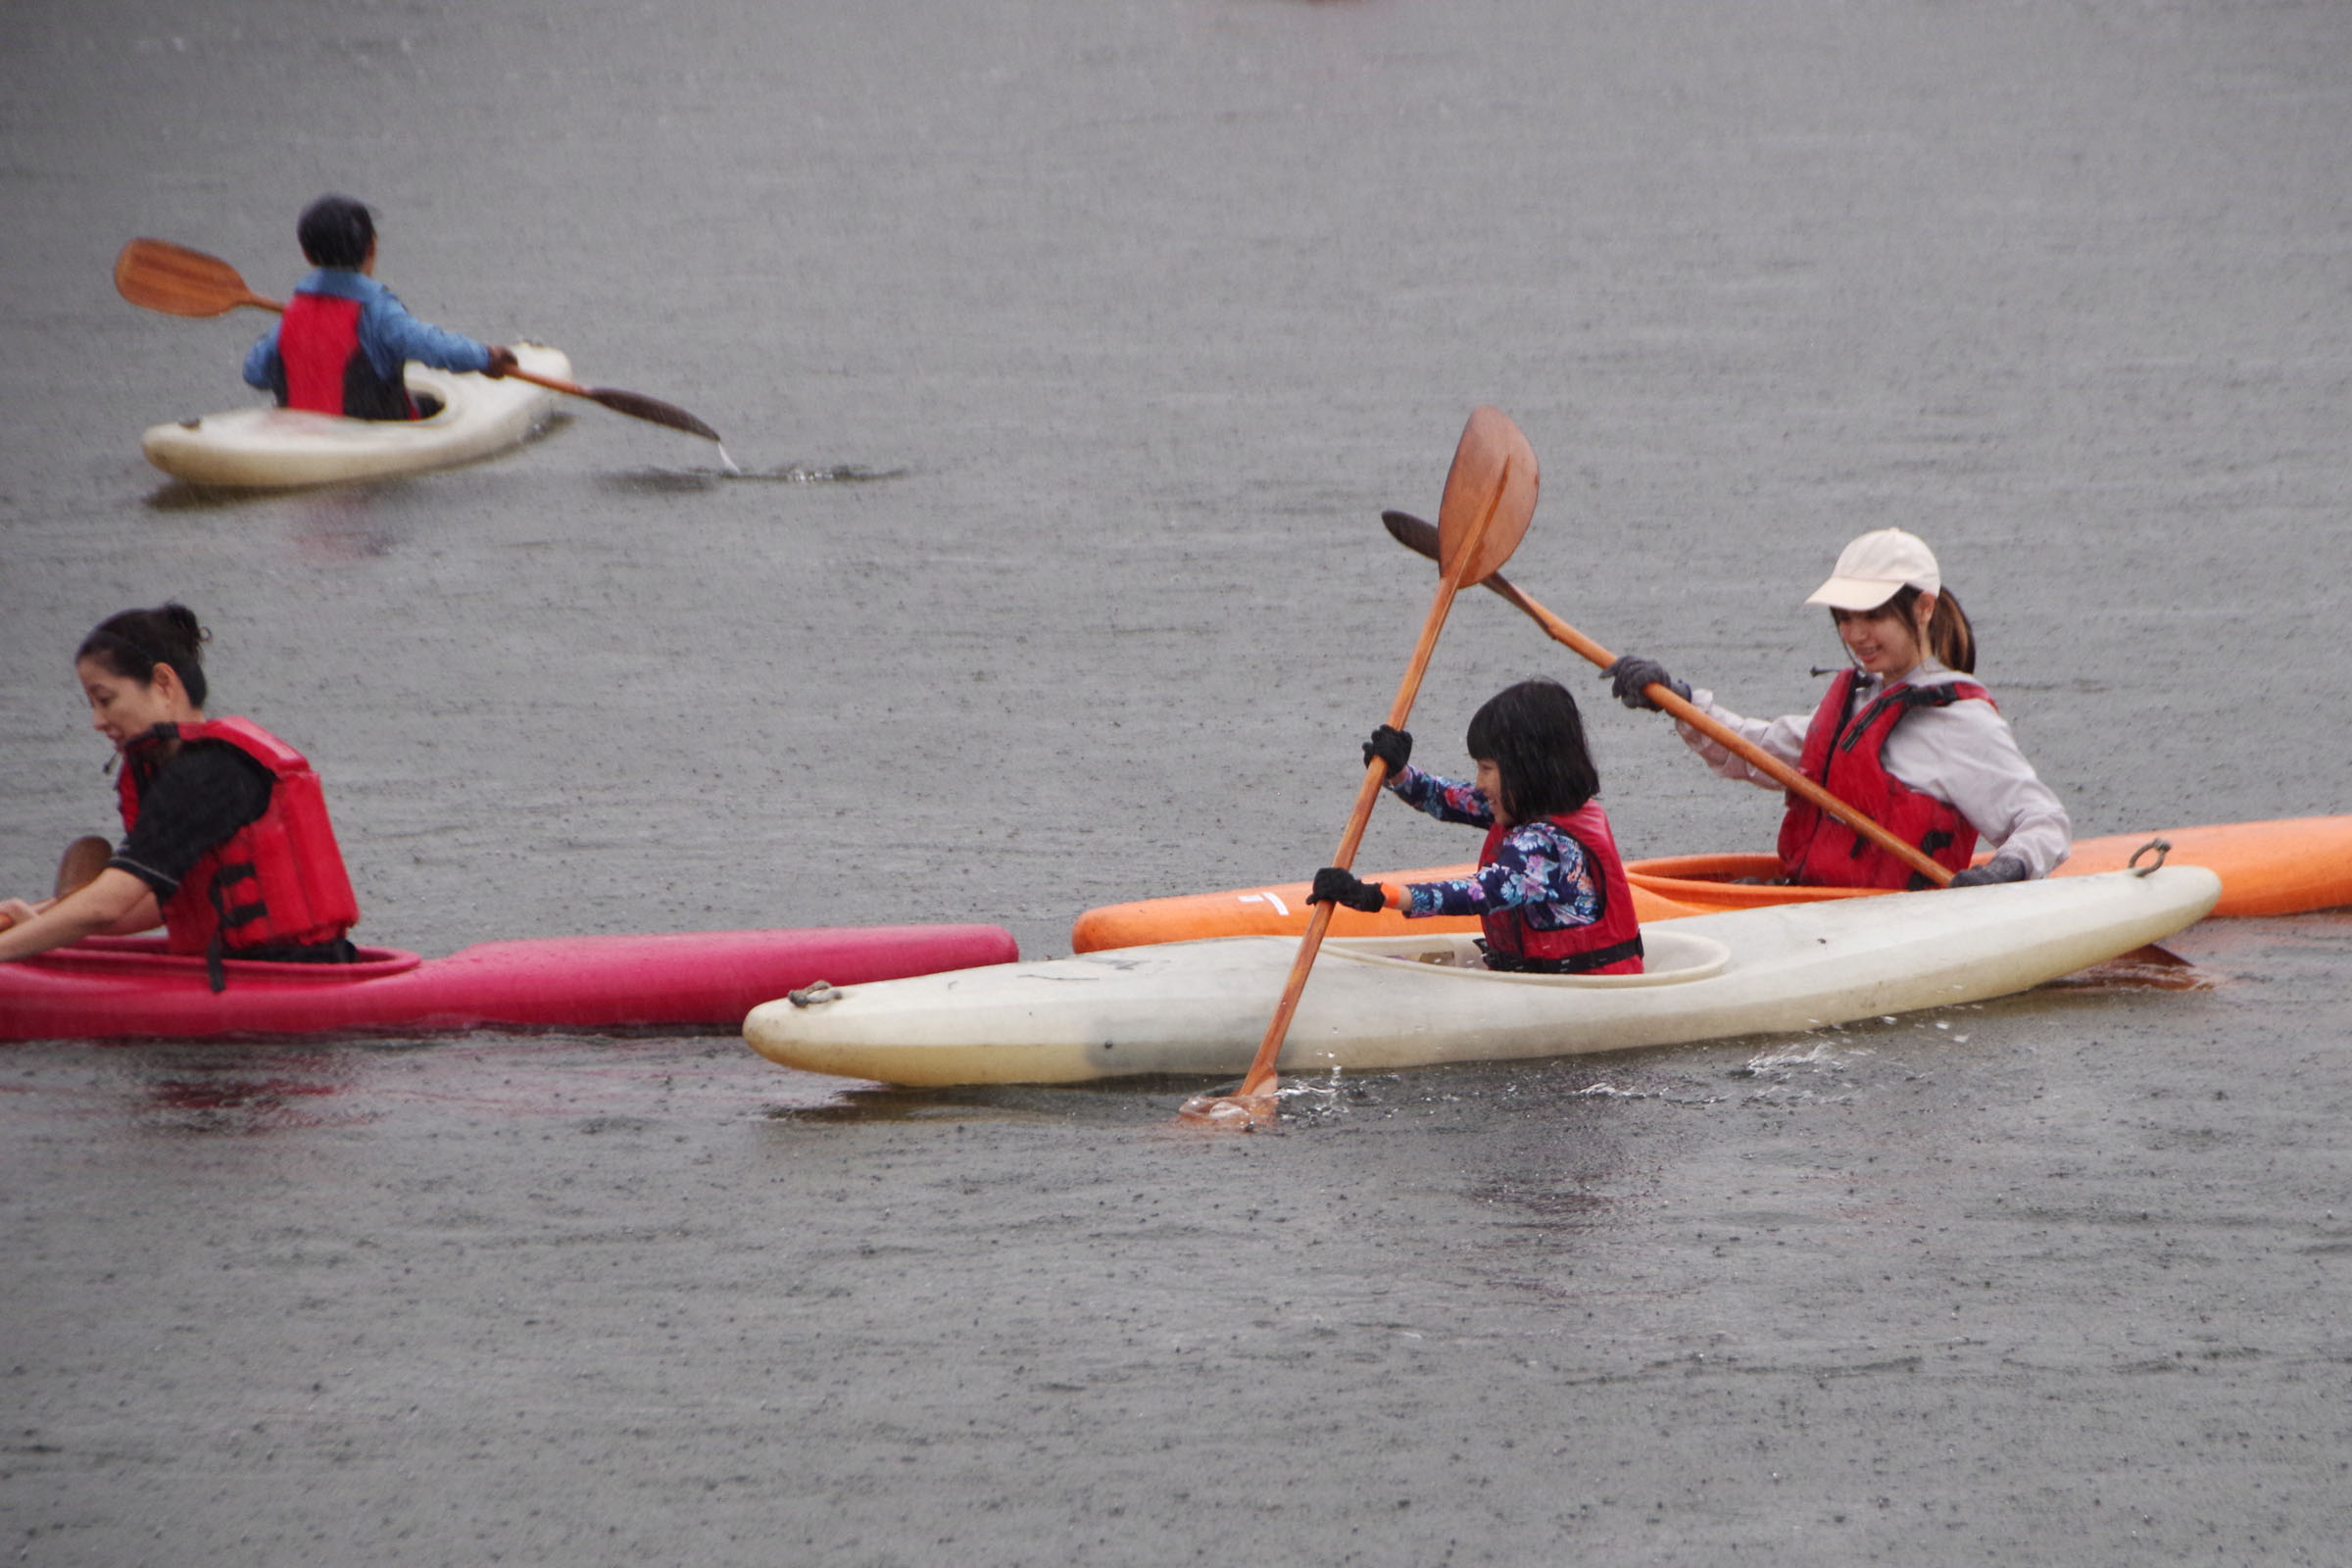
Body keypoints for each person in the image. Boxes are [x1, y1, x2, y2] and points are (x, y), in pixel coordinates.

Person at [1603, 527, 2070, 891]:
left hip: (1902, 922)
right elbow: (1751, 750)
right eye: (1845, 617)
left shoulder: (1961, 721)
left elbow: (2044, 821)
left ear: (1924, 607)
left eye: (1873, 616)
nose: (1856, 634)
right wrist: (1677, 701)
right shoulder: (1859, 703)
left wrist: (2004, 871)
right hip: (1822, 906)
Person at [0, 605, 361, 989]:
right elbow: (148, 904)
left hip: (285, 982)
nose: (98, 722)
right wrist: (36, 920)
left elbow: (106, 906)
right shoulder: (179, 768)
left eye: (105, 700)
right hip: (252, 972)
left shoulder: (208, 772)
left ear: (162, 683)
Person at [1305, 679, 1644, 975]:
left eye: (1486, 768)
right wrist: (1397, 773)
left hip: (1581, 986)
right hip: (1534, 973)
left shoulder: (1548, 846)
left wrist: (1377, 895)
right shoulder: (1525, 804)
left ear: (1528, 770)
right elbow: (1446, 797)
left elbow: (1482, 892)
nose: (1478, 783)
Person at [241, 193, 518, 421]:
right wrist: (485, 357)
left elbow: (255, 373)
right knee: (429, 405)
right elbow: (431, 346)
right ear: (372, 247)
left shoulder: (293, 314)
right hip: (370, 429)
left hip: (301, 430)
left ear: (306, 254)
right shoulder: (377, 311)